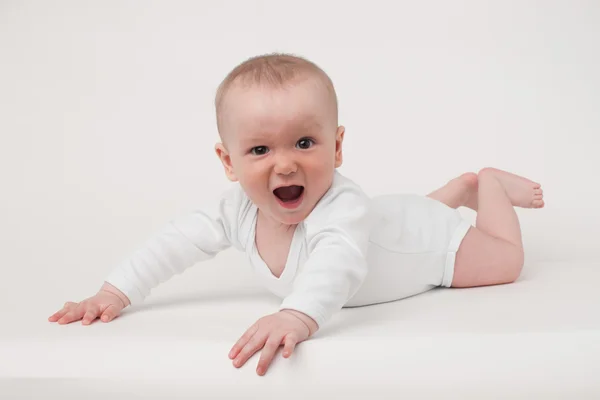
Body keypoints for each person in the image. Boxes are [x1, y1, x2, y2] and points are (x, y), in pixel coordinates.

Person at [48, 53, 545, 376]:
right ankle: (455, 189)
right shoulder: (235, 210)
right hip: (393, 221)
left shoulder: (344, 207)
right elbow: (174, 241)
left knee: (505, 263)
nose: (285, 162)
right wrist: (115, 290)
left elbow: (340, 260)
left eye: (305, 142)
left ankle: (490, 184)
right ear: (228, 161)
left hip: (432, 245)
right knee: (396, 222)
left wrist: (298, 313)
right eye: (260, 148)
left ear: (337, 146)